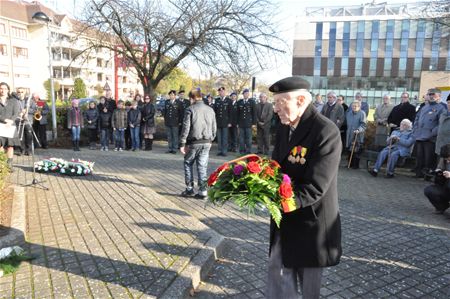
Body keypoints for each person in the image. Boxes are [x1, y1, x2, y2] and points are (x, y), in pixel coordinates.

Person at [267, 76, 342, 299]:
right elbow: (276, 166)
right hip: (285, 218)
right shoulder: (284, 127)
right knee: (277, 272)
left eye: (281, 102)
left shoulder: (325, 131)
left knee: (309, 289)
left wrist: (281, 201)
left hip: (311, 224)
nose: (276, 108)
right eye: (275, 102)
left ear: (301, 100)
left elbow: (316, 186)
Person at [180, 89, 216, 199]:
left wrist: (182, 143)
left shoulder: (190, 109)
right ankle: (203, 191)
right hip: (207, 141)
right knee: (202, 166)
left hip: (194, 142)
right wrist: (211, 139)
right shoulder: (210, 110)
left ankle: (189, 188)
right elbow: (214, 127)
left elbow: (186, 127)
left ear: (193, 98)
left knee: (188, 162)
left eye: (190, 99)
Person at [412, 88, 446, 178]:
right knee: (419, 157)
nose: (431, 96)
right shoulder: (424, 107)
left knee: (428, 159)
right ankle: (418, 174)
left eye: (433, 94)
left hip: (430, 139)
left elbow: (440, 124)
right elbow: (417, 118)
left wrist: (431, 133)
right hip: (419, 136)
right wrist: (415, 130)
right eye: (429, 94)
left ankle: (427, 176)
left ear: (439, 96)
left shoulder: (442, 108)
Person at [424, 144, 450, 214]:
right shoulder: (443, 159)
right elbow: (440, 168)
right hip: (446, 187)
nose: (447, 161)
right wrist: (438, 172)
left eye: (448, 158)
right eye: (445, 159)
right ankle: (442, 206)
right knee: (429, 190)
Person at [0, 82, 20, 171]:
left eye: (5, 88)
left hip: (10, 126)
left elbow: (16, 113)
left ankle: (9, 165)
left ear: (8, 90)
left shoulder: (13, 100)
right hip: (0, 125)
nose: (3, 90)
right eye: (1, 88)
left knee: (10, 146)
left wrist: (11, 120)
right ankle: (1, 165)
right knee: (0, 146)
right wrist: (5, 120)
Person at [345, 101, 367, 169]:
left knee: (356, 150)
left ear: (359, 107)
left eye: (355, 106)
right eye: (353, 106)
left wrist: (358, 130)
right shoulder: (349, 113)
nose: (354, 107)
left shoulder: (362, 113)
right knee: (349, 149)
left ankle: (355, 165)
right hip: (349, 134)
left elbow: (363, 125)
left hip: (357, 134)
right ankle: (349, 164)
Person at [237, 88, 256, 154]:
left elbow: (254, 113)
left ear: (249, 94)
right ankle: (242, 150)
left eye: (247, 93)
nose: (246, 95)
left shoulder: (252, 102)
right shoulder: (239, 102)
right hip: (241, 123)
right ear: (243, 94)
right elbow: (237, 113)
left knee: (248, 138)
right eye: (245, 93)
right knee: (241, 138)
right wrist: (237, 123)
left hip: (249, 123)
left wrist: (254, 123)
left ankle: (248, 150)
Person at [213, 86, 231, 156]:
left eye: (222, 91)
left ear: (225, 92)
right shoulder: (217, 100)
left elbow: (230, 112)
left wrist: (230, 122)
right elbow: (214, 111)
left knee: (225, 137)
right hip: (218, 122)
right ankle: (220, 150)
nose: (221, 92)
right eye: (220, 91)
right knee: (219, 138)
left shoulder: (229, 100)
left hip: (225, 122)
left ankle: (224, 151)